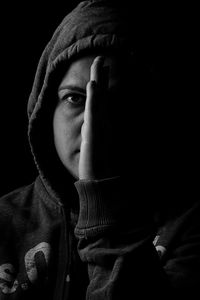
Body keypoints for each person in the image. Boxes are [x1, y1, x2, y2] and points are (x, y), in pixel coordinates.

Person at [0, 0, 199, 299]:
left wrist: (104, 205)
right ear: (44, 112)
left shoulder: (187, 227)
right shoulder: (3, 221)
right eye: (75, 98)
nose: (92, 124)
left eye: (117, 102)